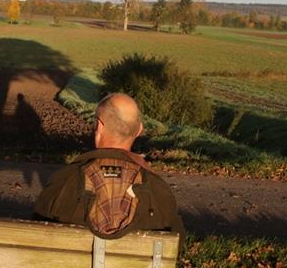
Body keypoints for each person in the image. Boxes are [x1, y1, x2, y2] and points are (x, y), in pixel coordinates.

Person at [34, 93, 185, 248]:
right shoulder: (158, 189)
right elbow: (177, 245)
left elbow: (36, 235)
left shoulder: (64, 180)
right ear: (139, 130)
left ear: (99, 125)